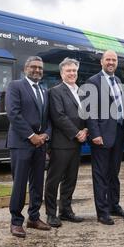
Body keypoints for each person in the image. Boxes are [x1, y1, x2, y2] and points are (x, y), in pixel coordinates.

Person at [6, 56, 52, 238]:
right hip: (21, 144)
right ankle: (16, 221)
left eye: (40, 68)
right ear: (26, 68)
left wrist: (46, 135)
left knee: (37, 183)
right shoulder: (15, 86)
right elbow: (13, 114)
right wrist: (31, 136)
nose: (37, 70)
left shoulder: (44, 91)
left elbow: (48, 118)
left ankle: (34, 218)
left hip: (40, 145)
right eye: (33, 67)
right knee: (19, 184)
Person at [45, 58, 88, 227]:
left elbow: (85, 114)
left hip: (77, 143)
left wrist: (86, 130)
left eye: (74, 71)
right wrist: (77, 133)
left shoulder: (81, 91)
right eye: (68, 71)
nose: (72, 73)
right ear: (62, 73)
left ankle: (66, 211)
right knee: (53, 180)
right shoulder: (55, 91)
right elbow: (59, 116)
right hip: (61, 143)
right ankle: (50, 214)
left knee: (71, 179)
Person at [85, 50, 124, 225]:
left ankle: (113, 205)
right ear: (101, 62)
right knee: (100, 175)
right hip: (101, 136)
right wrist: (95, 134)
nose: (111, 62)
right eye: (108, 59)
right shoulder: (93, 81)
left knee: (114, 173)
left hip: (118, 134)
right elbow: (89, 111)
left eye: (114, 60)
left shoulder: (117, 81)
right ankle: (102, 212)